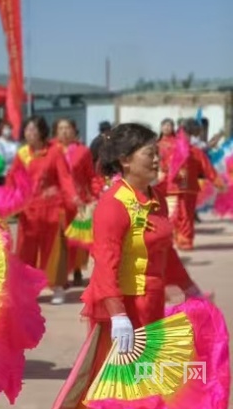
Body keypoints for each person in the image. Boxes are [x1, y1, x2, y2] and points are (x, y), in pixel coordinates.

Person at [52, 123, 205, 409]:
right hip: (126, 308)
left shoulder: (157, 198)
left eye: (157, 153)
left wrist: (188, 287)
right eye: (149, 153)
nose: (157, 159)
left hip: (153, 305)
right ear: (125, 160)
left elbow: (166, 253)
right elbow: (105, 264)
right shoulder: (113, 204)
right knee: (123, 388)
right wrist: (118, 316)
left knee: (151, 382)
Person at [9, 116, 78, 305]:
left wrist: (73, 196)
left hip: (52, 210)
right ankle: (27, 288)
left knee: (54, 250)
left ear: (41, 132)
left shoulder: (55, 152)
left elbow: (64, 178)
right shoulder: (22, 154)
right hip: (28, 212)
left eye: (33, 130)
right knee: (25, 252)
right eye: (27, 130)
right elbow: (12, 179)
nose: (29, 133)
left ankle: (57, 287)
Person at [159, 120, 223, 250]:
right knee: (181, 215)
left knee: (181, 215)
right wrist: (218, 183)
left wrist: (217, 182)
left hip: (181, 187)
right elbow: (207, 169)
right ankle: (182, 240)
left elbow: (206, 167)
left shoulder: (190, 150)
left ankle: (183, 240)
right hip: (178, 187)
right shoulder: (176, 148)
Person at [54, 118, 96, 286]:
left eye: (67, 128)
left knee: (77, 239)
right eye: (60, 128)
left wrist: (94, 195)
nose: (64, 132)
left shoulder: (83, 151)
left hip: (79, 201)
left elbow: (90, 176)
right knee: (59, 240)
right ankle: (62, 274)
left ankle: (77, 268)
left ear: (74, 131)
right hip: (57, 202)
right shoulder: (51, 151)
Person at [0, 120, 20, 186]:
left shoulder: (16, 143)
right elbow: (3, 159)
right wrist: (15, 158)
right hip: (3, 175)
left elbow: (20, 156)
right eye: (6, 128)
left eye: (10, 128)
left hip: (15, 174)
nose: (8, 130)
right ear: (1, 130)